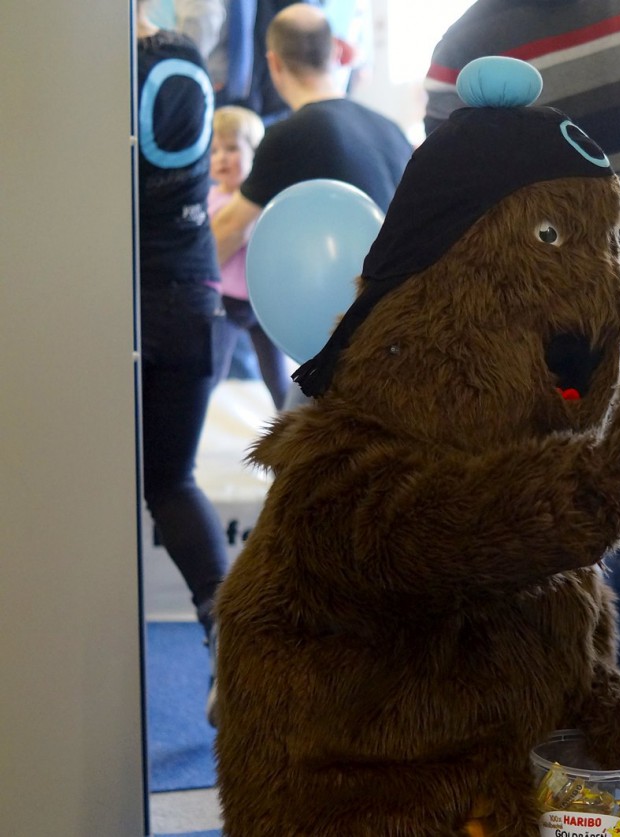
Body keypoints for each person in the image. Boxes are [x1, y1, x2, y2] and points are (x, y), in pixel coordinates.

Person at [424, 0, 620, 762]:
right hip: (536, 313)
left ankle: (618, 691)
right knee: (554, 501)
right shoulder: (461, 52)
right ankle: (555, 696)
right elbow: (450, 206)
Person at [136, 0, 229, 724]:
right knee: (172, 480)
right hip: (196, 298)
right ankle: (225, 630)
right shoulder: (185, 60)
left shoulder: (100, 79)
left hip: (125, 303)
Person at [211, 3, 412, 272]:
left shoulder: (289, 136)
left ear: (273, 62)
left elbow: (232, 230)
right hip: (410, 297)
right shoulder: (391, 128)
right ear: (336, 52)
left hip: (352, 302)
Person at [208, 105, 291, 409]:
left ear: (255, 155)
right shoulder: (208, 200)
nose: (221, 158)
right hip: (225, 302)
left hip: (262, 304)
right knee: (212, 374)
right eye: (214, 150)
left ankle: (288, 434)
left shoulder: (260, 202)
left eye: (231, 148)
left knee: (278, 380)